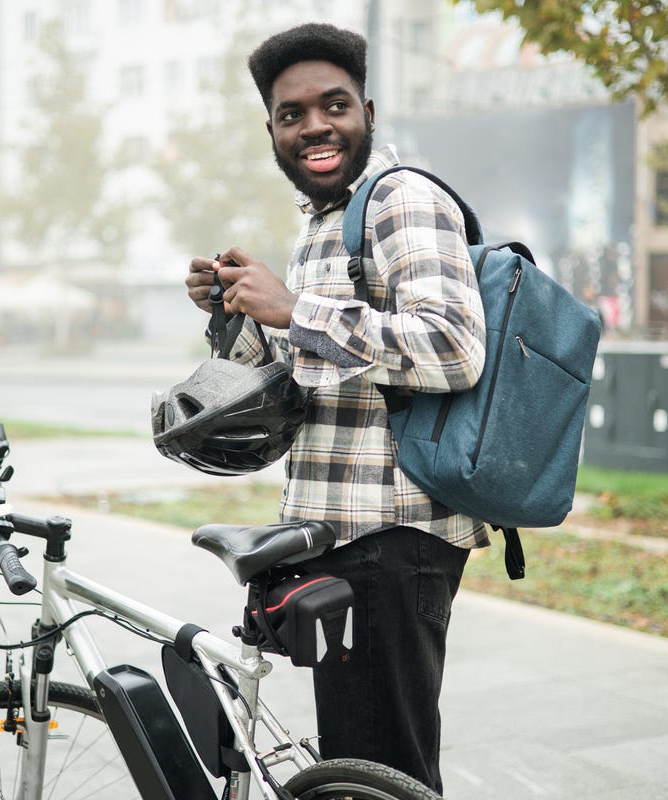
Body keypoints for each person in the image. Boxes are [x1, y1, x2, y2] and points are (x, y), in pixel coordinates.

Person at [181, 22, 489, 793]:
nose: (315, 125)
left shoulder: (400, 199)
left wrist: (296, 310)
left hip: (394, 539)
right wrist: (237, 317)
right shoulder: (321, 225)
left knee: (383, 776)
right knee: (354, 772)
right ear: (273, 131)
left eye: (335, 105)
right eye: (293, 114)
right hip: (337, 537)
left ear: (369, 113)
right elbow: (300, 388)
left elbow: (455, 347)